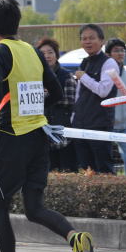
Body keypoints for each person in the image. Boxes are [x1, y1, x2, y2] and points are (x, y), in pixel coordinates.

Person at [0, 0, 96, 252]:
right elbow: (54, 93)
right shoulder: (32, 51)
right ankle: (75, 238)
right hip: (39, 136)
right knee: (34, 208)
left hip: (11, 135)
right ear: (16, 23)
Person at [72, 24, 118, 174]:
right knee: (87, 170)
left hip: (99, 124)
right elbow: (79, 94)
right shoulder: (85, 62)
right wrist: (74, 117)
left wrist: (84, 76)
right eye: (84, 39)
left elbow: (104, 91)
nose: (87, 42)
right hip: (80, 124)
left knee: (104, 169)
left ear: (102, 41)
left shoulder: (109, 63)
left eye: (92, 38)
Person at [36, 37, 77, 173]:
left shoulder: (66, 76)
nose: (47, 56)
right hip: (42, 130)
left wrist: (47, 95)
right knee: (46, 172)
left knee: (67, 171)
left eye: (50, 52)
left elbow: (70, 101)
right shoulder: (35, 75)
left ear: (56, 55)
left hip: (62, 129)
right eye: (43, 53)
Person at [106, 38, 126, 176]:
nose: (120, 53)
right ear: (108, 54)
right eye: (116, 51)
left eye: (122, 50)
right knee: (107, 159)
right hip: (108, 124)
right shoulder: (105, 74)